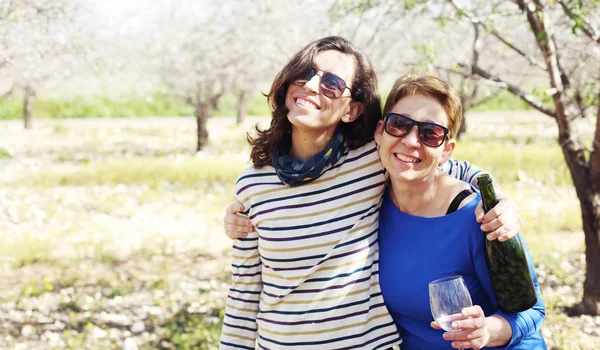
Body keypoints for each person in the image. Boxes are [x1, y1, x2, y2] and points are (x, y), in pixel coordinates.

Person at [219, 36, 522, 350]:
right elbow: (244, 294)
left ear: (351, 110)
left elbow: (442, 164)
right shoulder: (252, 186)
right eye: (305, 73)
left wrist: (500, 199)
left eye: (332, 83)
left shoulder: (372, 161)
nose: (310, 86)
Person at [375, 74, 546, 349]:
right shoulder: (370, 203)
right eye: (400, 125)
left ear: (447, 151)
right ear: (380, 131)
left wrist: (486, 331)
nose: (410, 141)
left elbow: (532, 310)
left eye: (429, 133)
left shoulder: (477, 218)